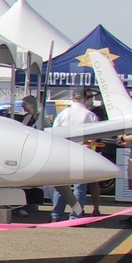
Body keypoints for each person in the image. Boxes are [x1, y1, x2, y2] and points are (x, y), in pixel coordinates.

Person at [48, 91, 97, 220]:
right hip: (81, 153)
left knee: (61, 187)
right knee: (79, 188)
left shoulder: (63, 113)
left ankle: (56, 215)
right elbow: (93, 137)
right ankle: (76, 216)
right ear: (85, 99)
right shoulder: (89, 115)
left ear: (73, 99)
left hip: (64, 153)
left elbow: (54, 133)